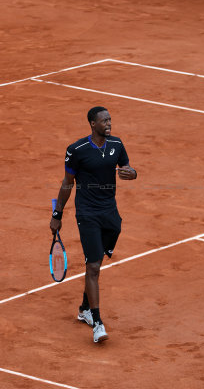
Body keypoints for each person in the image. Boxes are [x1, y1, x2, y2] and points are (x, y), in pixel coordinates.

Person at [50, 106, 137, 343]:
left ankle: (84, 309)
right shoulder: (76, 150)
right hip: (87, 213)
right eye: (104, 121)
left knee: (97, 261)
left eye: (110, 120)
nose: (109, 124)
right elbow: (68, 182)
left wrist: (133, 173)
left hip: (110, 214)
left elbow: (127, 167)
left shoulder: (117, 144)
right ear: (92, 124)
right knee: (94, 266)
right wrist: (58, 213)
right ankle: (97, 323)